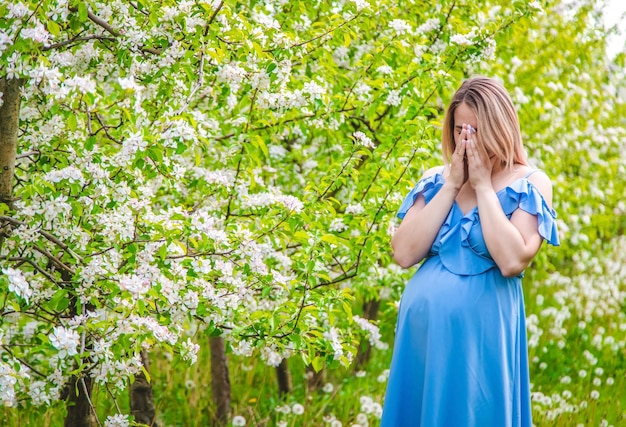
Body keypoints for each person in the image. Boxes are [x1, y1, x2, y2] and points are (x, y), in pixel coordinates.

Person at [380, 76, 560, 427]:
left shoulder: (531, 182)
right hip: (424, 338)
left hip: (482, 334)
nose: (466, 139)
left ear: (499, 127)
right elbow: (403, 252)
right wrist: (452, 185)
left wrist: (481, 186)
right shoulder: (436, 178)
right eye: (460, 129)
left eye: (475, 130)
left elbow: (512, 259)